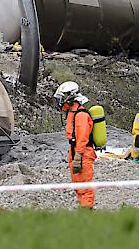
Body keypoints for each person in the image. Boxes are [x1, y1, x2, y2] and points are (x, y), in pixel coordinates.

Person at [53, 81, 96, 209]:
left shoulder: (81, 115)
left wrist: (78, 156)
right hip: (77, 153)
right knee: (78, 185)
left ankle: (86, 212)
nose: (60, 102)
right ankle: (84, 209)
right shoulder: (73, 113)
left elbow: (82, 137)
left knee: (85, 186)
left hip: (82, 154)